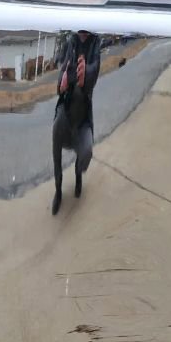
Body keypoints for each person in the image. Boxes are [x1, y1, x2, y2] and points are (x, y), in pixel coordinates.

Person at [51, 29, 100, 215]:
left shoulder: (95, 42)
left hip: (83, 115)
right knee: (56, 143)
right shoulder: (71, 40)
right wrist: (61, 84)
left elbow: (94, 70)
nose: (83, 32)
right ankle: (58, 190)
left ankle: (78, 175)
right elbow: (62, 67)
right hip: (66, 109)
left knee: (86, 152)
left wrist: (85, 74)